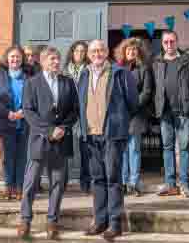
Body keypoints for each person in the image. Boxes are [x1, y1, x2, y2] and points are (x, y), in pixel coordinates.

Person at [17, 47, 80, 240]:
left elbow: (74, 110)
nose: (56, 62)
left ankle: (52, 220)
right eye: (52, 59)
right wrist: (48, 131)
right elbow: (28, 111)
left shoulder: (68, 82)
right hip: (39, 140)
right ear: (43, 62)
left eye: (57, 59)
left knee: (58, 183)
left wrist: (63, 128)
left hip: (61, 140)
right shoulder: (32, 83)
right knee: (30, 182)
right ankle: (25, 220)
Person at [78, 39, 137, 241]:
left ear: (107, 53)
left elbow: (133, 102)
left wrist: (120, 123)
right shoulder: (84, 74)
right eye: (93, 51)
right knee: (97, 179)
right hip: (91, 135)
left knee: (113, 179)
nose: (97, 53)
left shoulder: (120, 73)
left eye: (101, 50)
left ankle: (114, 223)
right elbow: (81, 102)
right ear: (88, 54)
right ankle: (99, 220)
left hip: (112, 134)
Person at [152, 30, 189, 198]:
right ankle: (170, 184)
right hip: (165, 112)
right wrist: (155, 108)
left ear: (177, 42)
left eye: (172, 41)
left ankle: (185, 183)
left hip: (183, 111)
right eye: (166, 42)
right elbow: (153, 87)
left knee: (184, 148)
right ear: (162, 44)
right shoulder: (156, 62)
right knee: (167, 148)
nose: (169, 45)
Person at [115, 38, 155, 197]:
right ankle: (123, 182)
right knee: (122, 150)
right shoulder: (117, 69)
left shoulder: (144, 68)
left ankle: (134, 182)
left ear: (139, 52)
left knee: (135, 149)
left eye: (134, 50)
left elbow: (146, 91)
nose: (131, 52)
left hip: (136, 114)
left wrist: (133, 105)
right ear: (123, 52)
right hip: (120, 115)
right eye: (128, 50)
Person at [0, 46, 29, 200]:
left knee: (21, 157)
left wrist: (22, 113)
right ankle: (8, 186)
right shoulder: (0, 76)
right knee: (8, 157)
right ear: (7, 59)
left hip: (24, 123)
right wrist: (8, 113)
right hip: (6, 123)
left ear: (22, 59)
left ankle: (19, 187)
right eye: (12, 56)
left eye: (18, 57)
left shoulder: (28, 77)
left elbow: (33, 99)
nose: (15, 59)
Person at [63, 40, 91, 193]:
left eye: (82, 51)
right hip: (68, 115)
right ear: (72, 53)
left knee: (85, 151)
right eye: (76, 51)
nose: (79, 54)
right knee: (66, 150)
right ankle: (64, 181)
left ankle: (85, 182)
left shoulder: (90, 70)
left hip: (85, 115)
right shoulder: (64, 71)